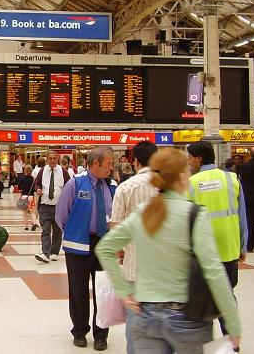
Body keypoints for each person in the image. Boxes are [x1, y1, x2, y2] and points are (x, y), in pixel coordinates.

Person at [96, 148, 242, 353]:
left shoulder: (142, 213)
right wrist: (232, 322)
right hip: (187, 318)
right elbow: (213, 271)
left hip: (145, 316)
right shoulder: (194, 215)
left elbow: (105, 248)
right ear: (182, 177)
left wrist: (124, 291)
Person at [56, 146, 114, 350]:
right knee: (78, 290)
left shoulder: (111, 186)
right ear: (96, 163)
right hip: (78, 245)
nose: (111, 168)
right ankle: (79, 331)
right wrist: (75, 230)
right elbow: (61, 215)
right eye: (108, 164)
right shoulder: (75, 183)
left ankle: (101, 334)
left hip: (104, 244)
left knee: (103, 291)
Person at [187, 141, 247, 336]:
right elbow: (242, 215)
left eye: (190, 158)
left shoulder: (191, 183)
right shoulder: (231, 179)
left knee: (201, 297)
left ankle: (203, 339)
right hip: (229, 247)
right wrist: (242, 246)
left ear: (199, 159)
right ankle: (231, 338)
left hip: (203, 251)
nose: (188, 162)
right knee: (226, 294)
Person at [109, 141, 158, 354]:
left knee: (135, 318)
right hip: (166, 269)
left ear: (135, 161)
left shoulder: (125, 188)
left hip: (134, 265)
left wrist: (120, 251)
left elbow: (116, 228)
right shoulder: (171, 186)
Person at [34, 150, 69, 263]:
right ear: (47, 159)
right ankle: (45, 253)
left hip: (59, 207)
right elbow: (37, 183)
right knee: (45, 230)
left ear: (58, 159)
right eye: (50, 158)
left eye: (54, 158)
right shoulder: (42, 171)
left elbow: (69, 185)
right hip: (45, 205)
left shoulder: (63, 171)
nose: (52, 160)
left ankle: (54, 252)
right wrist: (38, 189)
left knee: (57, 231)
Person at [236, 147, 254, 252]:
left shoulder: (242, 166)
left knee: (249, 222)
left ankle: (249, 245)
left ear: (250, 154)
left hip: (247, 198)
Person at [17, 164, 36, 230]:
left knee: (25, 212)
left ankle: (26, 226)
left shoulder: (22, 178)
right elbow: (34, 189)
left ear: (25, 170)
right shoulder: (33, 179)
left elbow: (19, 187)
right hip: (31, 197)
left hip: (24, 196)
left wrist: (23, 187)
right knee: (32, 212)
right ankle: (34, 223)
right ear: (31, 171)